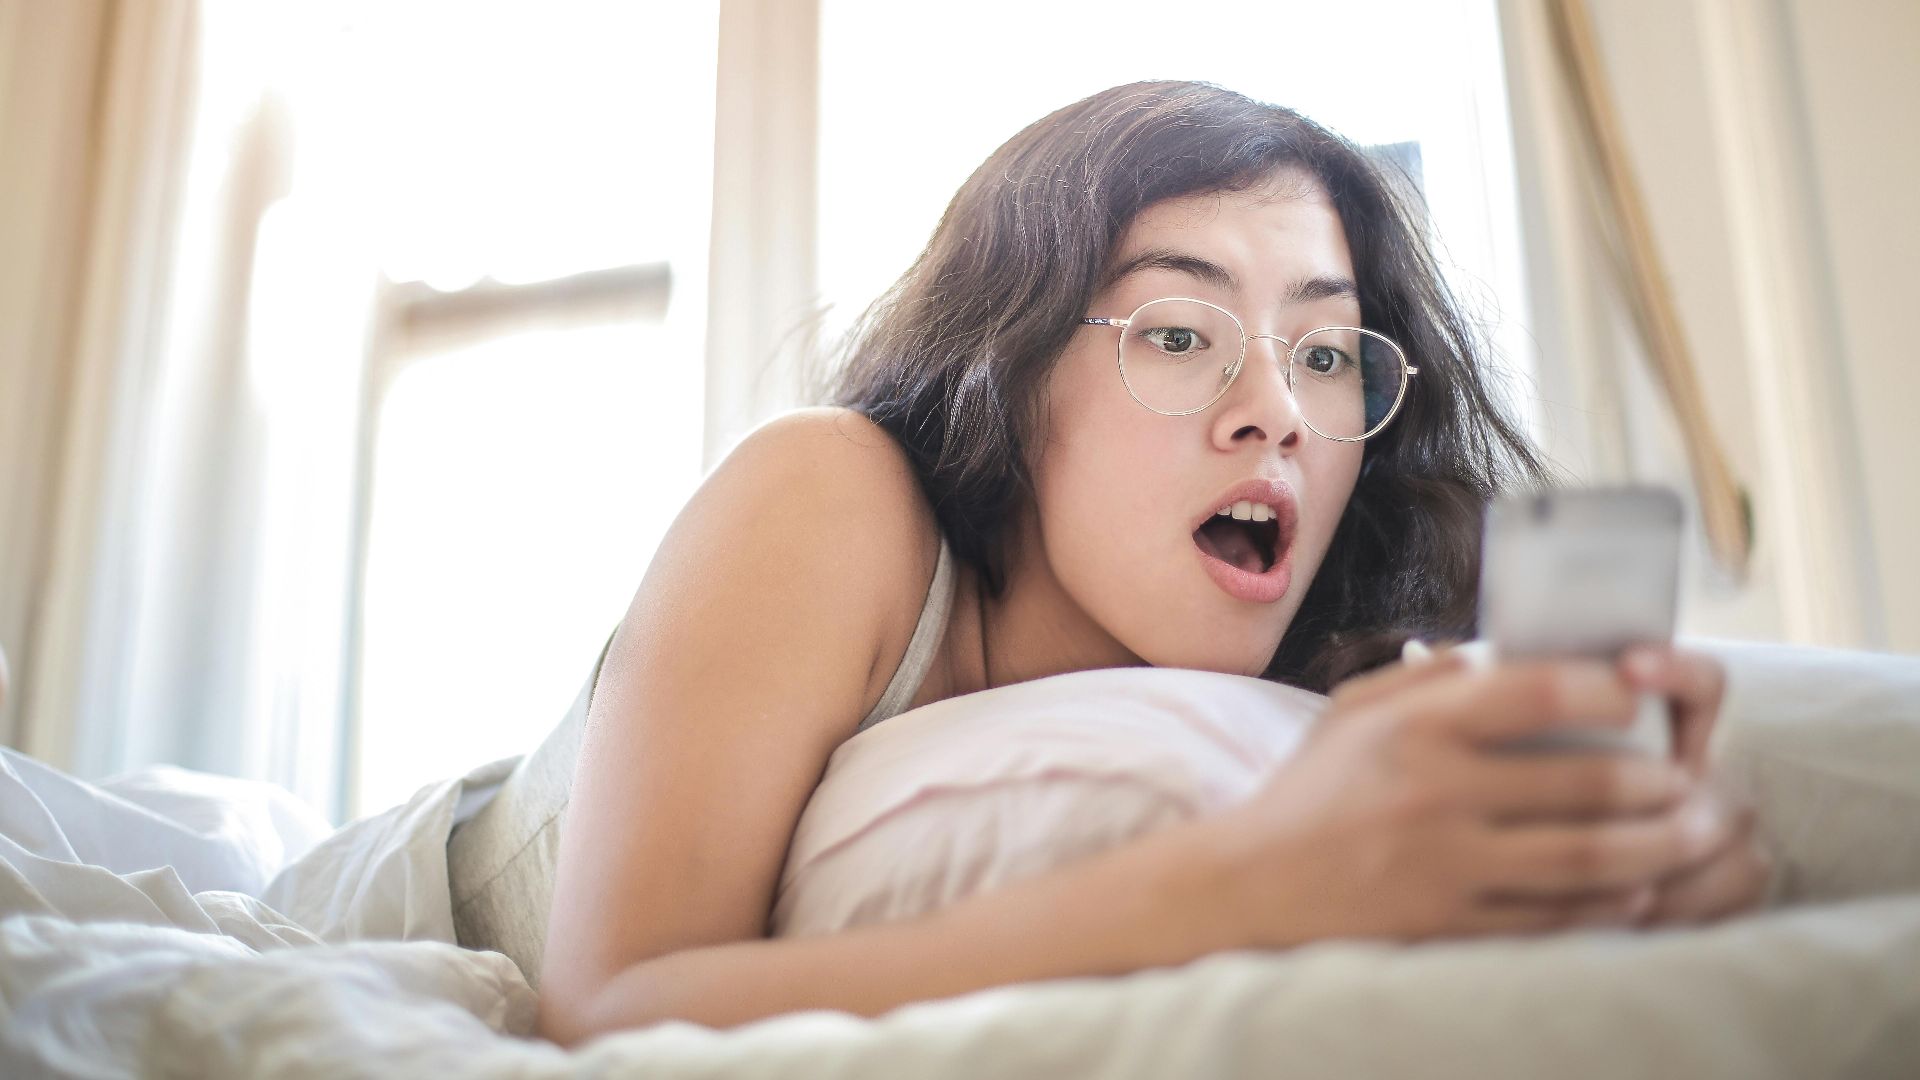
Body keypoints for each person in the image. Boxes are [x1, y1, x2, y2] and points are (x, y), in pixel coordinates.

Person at [534, 81, 1770, 1045]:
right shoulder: (831, 495)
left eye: (1329, 354)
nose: (1277, 410)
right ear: (1008, 373)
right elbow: (608, 1012)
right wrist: (1249, 884)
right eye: (1181, 334)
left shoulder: (1334, 661)